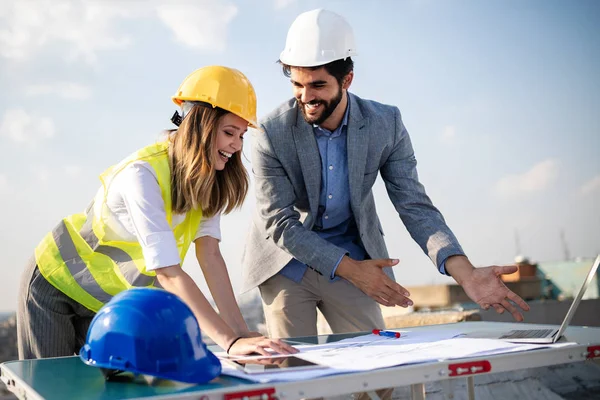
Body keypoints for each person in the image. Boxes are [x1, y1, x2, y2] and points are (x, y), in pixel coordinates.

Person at [242, 9, 530, 339]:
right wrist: (354, 272)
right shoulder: (270, 131)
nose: (306, 97)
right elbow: (279, 223)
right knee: (295, 372)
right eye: (297, 84)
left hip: (354, 255)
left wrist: (464, 273)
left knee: (379, 374)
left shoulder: (386, 123)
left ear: (347, 79)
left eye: (318, 85)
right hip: (286, 263)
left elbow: (414, 205)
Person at [17, 65, 296, 360]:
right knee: (54, 389)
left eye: (241, 136)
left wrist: (239, 333)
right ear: (200, 125)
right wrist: (228, 342)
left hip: (106, 302)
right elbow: (167, 273)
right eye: (229, 132)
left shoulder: (206, 182)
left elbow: (210, 256)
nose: (236, 145)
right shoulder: (142, 175)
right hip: (54, 286)